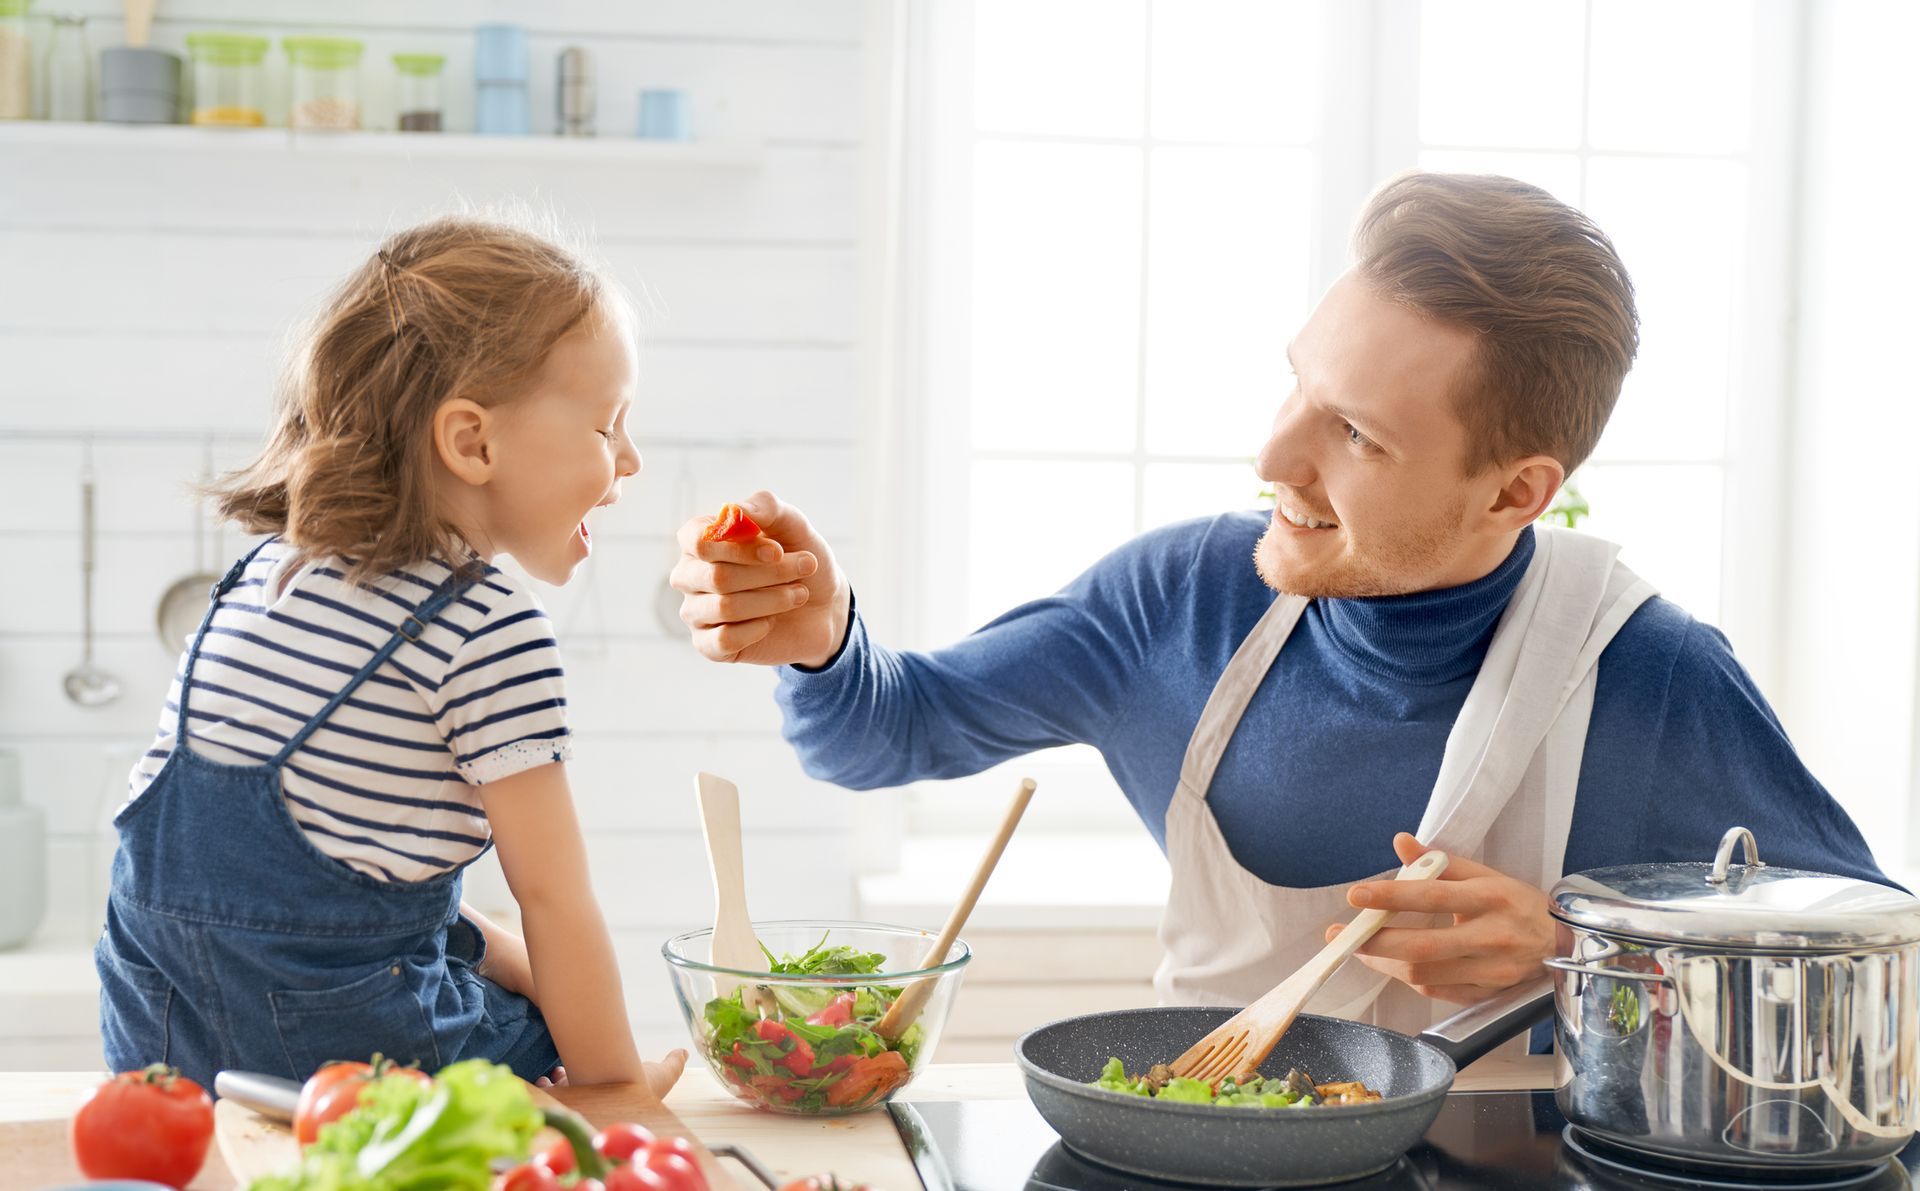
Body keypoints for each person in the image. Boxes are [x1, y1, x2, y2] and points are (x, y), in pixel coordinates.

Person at [668, 172, 1888, 1042]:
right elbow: (879, 733)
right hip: (1200, 1148)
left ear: (1517, 491)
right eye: (1298, 385)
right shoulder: (1181, 600)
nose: (1273, 456)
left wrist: (1584, 948)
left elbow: (1874, 968)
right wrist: (820, 637)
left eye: (1353, 432)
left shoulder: (1649, 671)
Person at [98, 215, 686, 1095]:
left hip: (158, 1027)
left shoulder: (271, 569)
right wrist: (614, 1086)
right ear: (472, 442)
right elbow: (558, 903)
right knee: (540, 1040)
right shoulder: (487, 625)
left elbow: (341, 875)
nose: (631, 459)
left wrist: (500, 957)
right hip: (336, 1042)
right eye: (609, 427)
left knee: (482, 956)